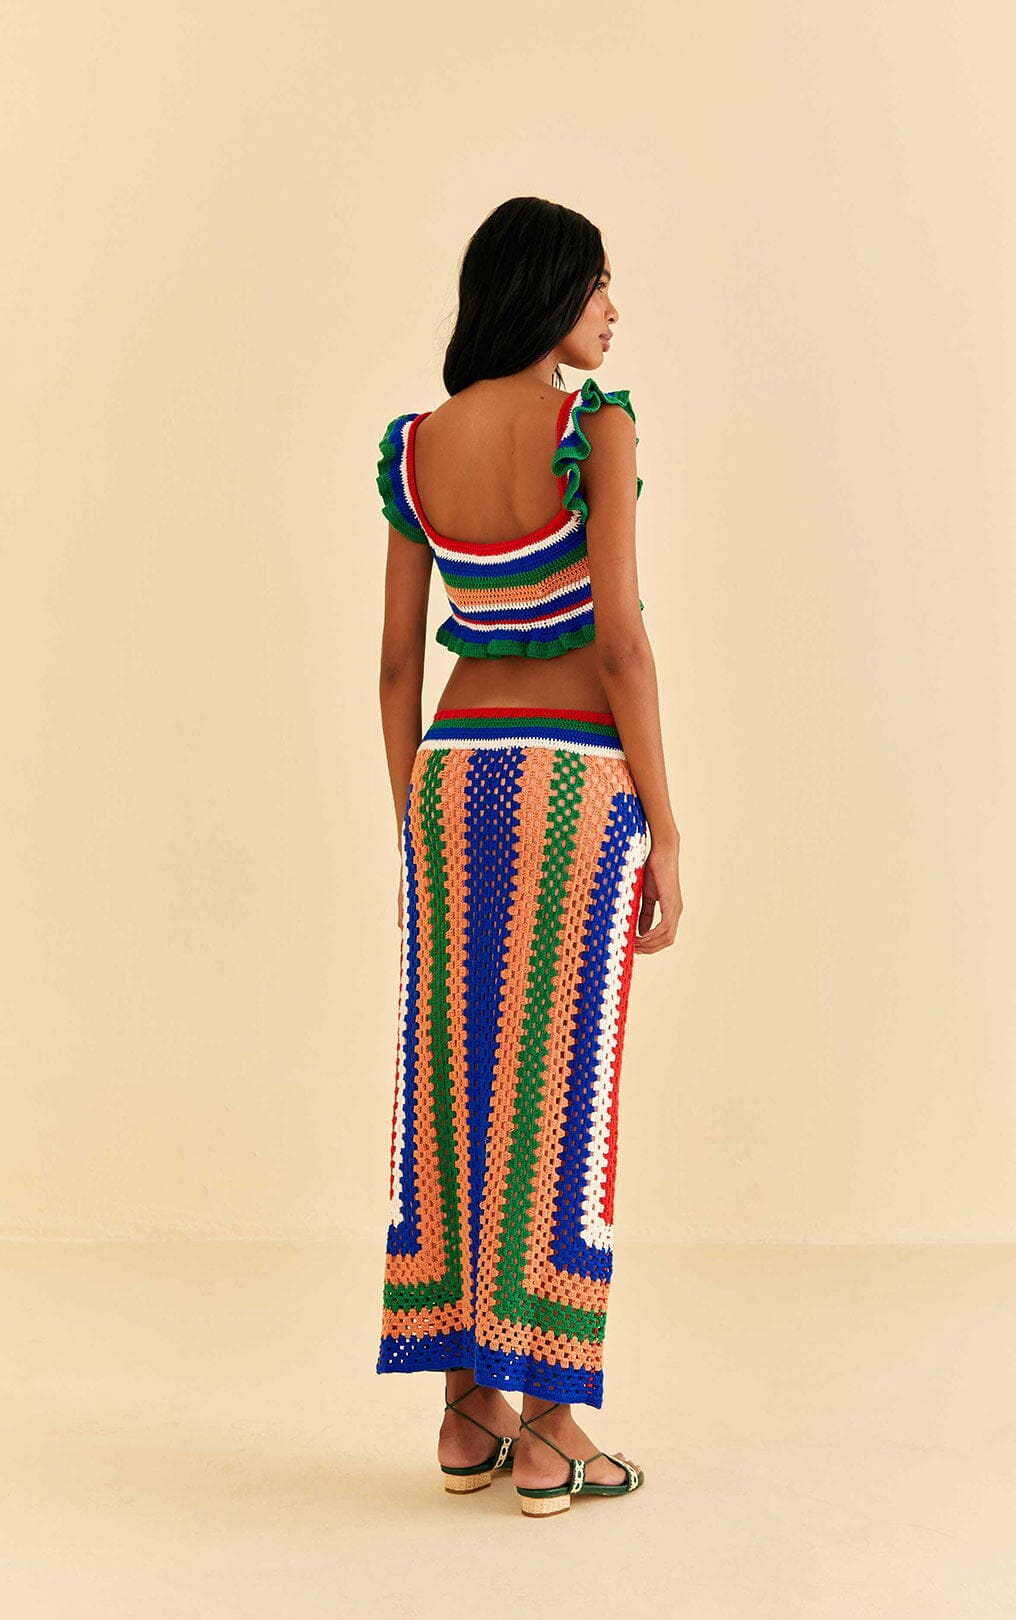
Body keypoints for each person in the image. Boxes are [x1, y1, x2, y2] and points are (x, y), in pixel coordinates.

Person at [374, 196, 682, 1517]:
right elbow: (621, 644)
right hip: (571, 782)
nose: (612, 309)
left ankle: (466, 1413)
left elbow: (398, 665)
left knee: (452, 1081)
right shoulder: (590, 427)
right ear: (548, 292)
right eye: (598, 285)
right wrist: (667, 825)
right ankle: (553, 1431)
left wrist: (412, 820)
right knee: (561, 1096)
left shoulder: (418, 444)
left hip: (450, 779)